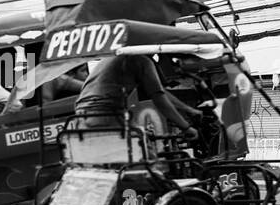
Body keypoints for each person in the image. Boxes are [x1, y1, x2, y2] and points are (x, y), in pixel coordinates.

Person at [73, 54, 203, 141]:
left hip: (82, 114)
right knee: (145, 153)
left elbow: (160, 91)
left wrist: (188, 110)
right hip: (105, 113)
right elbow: (159, 99)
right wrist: (185, 127)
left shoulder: (113, 58)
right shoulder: (141, 60)